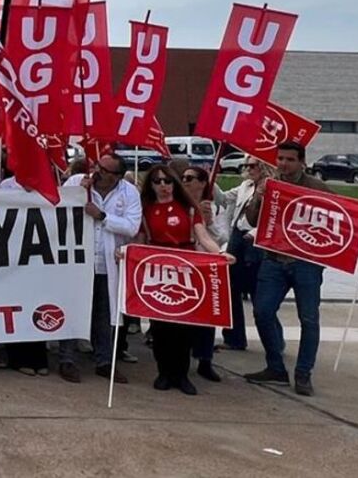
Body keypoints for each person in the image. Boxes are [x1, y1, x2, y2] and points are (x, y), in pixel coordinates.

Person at [242, 140, 330, 396]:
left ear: (302, 162)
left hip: (305, 263)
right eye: (280, 159)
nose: (284, 164)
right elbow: (252, 220)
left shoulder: (317, 188)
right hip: (274, 259)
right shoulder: (269, 185)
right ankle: (275, 366)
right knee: (262, 312)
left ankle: (303, 373)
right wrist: (258, 198)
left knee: (309, 319)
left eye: (290, 159)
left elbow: (338, 219)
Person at [139, 164, 230, 395]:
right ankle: (164, 372)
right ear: (151, 185)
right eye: (157, 181)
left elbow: (203, 236)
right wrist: (126, 252)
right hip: (158, 267)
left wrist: (219, 254)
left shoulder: (188, 208)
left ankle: (181, 374)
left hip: (185, 267)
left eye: (167, 181)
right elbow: (140, 240)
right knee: (159, 326)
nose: (163, 186)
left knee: (184, 325)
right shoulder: (146, 210)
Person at [53, 153, 141, 384]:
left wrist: (102, 216)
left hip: (106, 262)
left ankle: (104, 361)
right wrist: (77, 193)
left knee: (104, 315)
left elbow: (131, 226)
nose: (98, 172)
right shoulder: (77, 182)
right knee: (73, 309)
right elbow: (57, 208)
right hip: (78, 260)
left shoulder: (129, 192)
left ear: (117, 176)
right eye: (98, 166)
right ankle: (67, 360)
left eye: (105, 170)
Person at [222, 159, 269, 352]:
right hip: (237, 237)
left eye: (253, 165)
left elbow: (273, 219)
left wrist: (255, 233)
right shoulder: (245, 186)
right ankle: (234, 338)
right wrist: (207, 181)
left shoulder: (273, 188)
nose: (248, 169)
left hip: (256, 242)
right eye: (246, 165)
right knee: (230, 289)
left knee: (259, 296)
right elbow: (224, 198)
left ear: (265, 167)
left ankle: (273, 340)